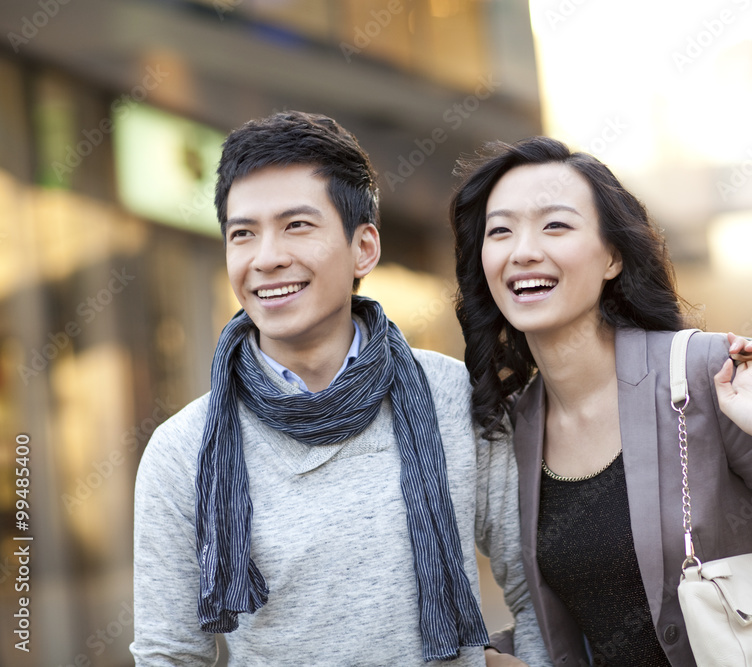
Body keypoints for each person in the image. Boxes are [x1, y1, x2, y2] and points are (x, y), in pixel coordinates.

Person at [449, 136, 752, 667]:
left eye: (556, 225)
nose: (522, 250)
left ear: (612, 256)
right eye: (500, 231)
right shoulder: (514, 425)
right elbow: (561, 621)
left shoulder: (703, 372)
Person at [131, 111, 551, 666]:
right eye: (242, 234)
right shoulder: (183, 449)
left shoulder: (452, 395)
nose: (266, 258)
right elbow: (170, 654)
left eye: (297, 225)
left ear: (364, 248)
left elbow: (537, 592)